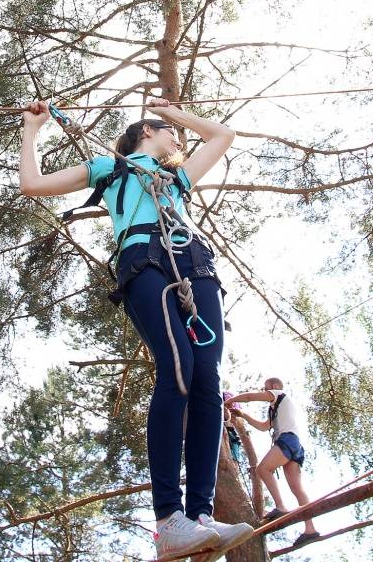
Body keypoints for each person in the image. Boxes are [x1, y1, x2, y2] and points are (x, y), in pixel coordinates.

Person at [19, 97, 252, 558]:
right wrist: (32, 131)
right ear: (146, 131)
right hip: (143, 258)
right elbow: (33, 185)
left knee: (208, 380)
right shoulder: (110, 167)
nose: (178, 140)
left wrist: (174, 113)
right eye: (169, 133)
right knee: (179, 370)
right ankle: (169, 520)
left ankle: (201, 515)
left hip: (195, 262)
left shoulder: (177, 178)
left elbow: (223, 136)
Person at [224, 378, 319, 549]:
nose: (264, 390)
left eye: (265, 387)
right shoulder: (274, 409)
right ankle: (310, 528)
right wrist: (243, 415)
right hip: (294, 444)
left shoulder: (278, 394)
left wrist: (231, 400)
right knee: (297, 488)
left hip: (287, 440)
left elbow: (251, 397)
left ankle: (280, 506)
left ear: (274, 386)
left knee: (263, 469)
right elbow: (263, 427)